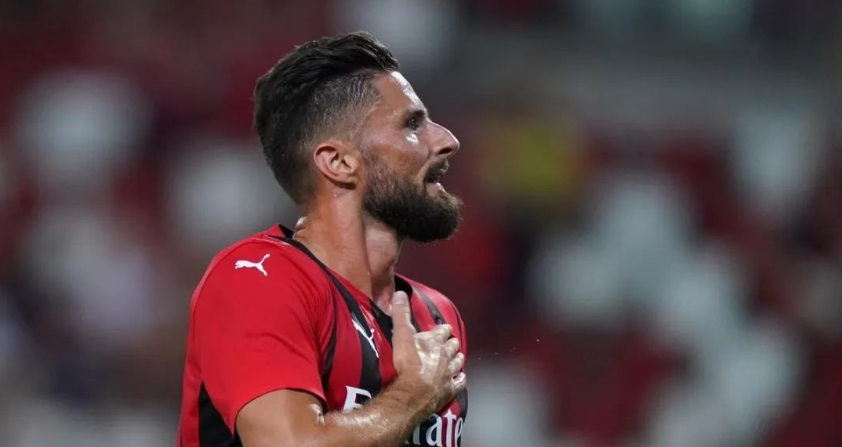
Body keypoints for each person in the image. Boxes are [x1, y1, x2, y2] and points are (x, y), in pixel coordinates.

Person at [177, 31, 468, 447]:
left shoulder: (437, 317)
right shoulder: (258, 279)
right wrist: (412, 397)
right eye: (412, 124)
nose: (446, 140)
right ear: (338, 162)